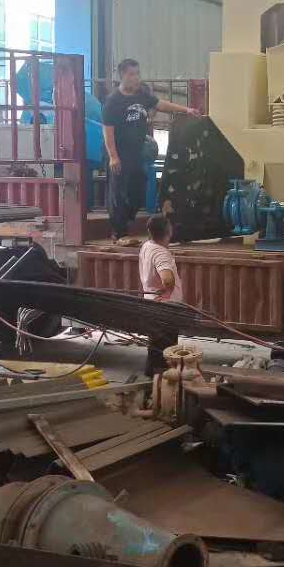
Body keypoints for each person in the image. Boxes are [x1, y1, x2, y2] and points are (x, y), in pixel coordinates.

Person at [101, 58, 199, 242]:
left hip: (137, 153)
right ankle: (119, 233)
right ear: (122, 76)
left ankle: (127, 220)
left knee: (138, 190)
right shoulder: (113, 102)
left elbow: (160, 104)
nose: (136, 78)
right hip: (119, 154)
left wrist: (185, 110)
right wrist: (113, 156)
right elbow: (108, 131)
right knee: (118, 194)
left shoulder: (141, 95)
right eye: (132, 74)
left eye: (137, 73)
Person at [139, 213, 183, 375]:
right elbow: (167, 279)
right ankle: (162, 380)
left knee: (156, 345)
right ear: (169, 231)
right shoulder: (160, 253)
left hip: (153, 303)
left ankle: (152, 376)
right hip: (165, 308)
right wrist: (167, 293)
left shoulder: (147, 246)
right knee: (165, 349)